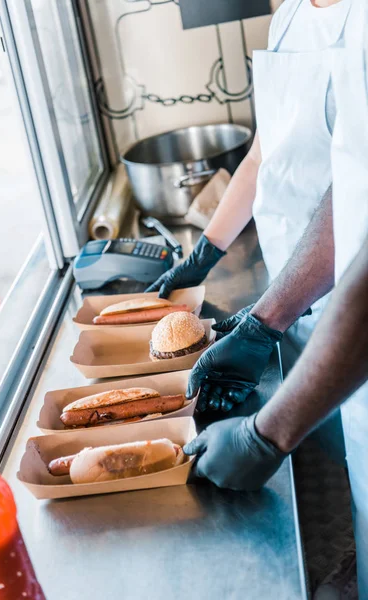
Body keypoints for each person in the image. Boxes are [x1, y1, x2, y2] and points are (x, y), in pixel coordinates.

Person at [183, 0, 368, 595]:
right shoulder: (289, 15)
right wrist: (266, 316)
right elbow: (353, 188)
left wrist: (269, 434)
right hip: (319, 294)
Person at [147, 0, 353, 397]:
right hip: (286, 292)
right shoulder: (289, 17)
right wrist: (204, 253)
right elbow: (262, 154)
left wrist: (267, 318)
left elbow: (354, 190)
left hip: (344, 290)